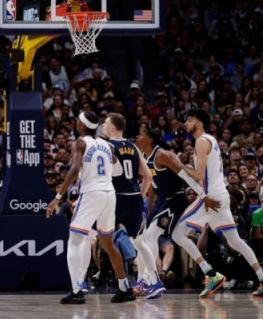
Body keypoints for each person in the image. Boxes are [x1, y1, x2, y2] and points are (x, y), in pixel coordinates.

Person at [170, 109, 263, 298]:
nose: (186, 123)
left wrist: (178, 164)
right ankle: (262, 277)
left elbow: (198, 174)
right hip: (221, 195)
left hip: (210, 197)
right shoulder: (211, 139)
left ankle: (210, 273)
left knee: (177, 234)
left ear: (198, 124)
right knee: (235, 241)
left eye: (189, 120)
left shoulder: (201, 141)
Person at [46, 111, 134, 304]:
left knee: (74, 239)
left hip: (92, 193)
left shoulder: (80, 143)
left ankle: (76, 291)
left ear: (82, 125)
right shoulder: (107, 145)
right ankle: (124, 288)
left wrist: (58, 197)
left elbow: (74, 169)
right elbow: (118, 170)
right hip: (109, 194)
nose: (76, 123)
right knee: (108, 243)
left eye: (78, 121)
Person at [135, 125, 219, 284]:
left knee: (151, 235)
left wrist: (203, 197)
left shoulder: (162, 155)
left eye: (141, 135)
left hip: (174, 199)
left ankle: (150, 280)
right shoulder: (145, 156)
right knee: (176, 237)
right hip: (162, 201)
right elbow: (152, 184)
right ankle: (209, 271)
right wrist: (150, 207)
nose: (137, 137)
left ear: (150, 139)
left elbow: (185, 176)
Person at [100, 113, 165, 299]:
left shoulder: (108, 146)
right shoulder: (133, 147)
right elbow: (148, 176)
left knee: (99, 238)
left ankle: (85, 282)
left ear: (113, 128)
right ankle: (155, 281)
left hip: (116, 198)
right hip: (134, 198)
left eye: (105, 123)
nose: (103, 126)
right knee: (139, 242)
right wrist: (139, 196)